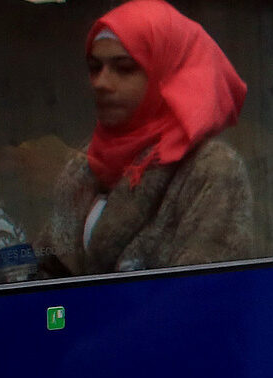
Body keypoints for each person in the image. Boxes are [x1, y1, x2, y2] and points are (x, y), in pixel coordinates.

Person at [40, 0, 258, 277]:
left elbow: (204, 296)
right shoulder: (86, 167)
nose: (101, 82)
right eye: (95, 67)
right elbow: (48, 271)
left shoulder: (209, 169)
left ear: (167, 74)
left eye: (124, 67)